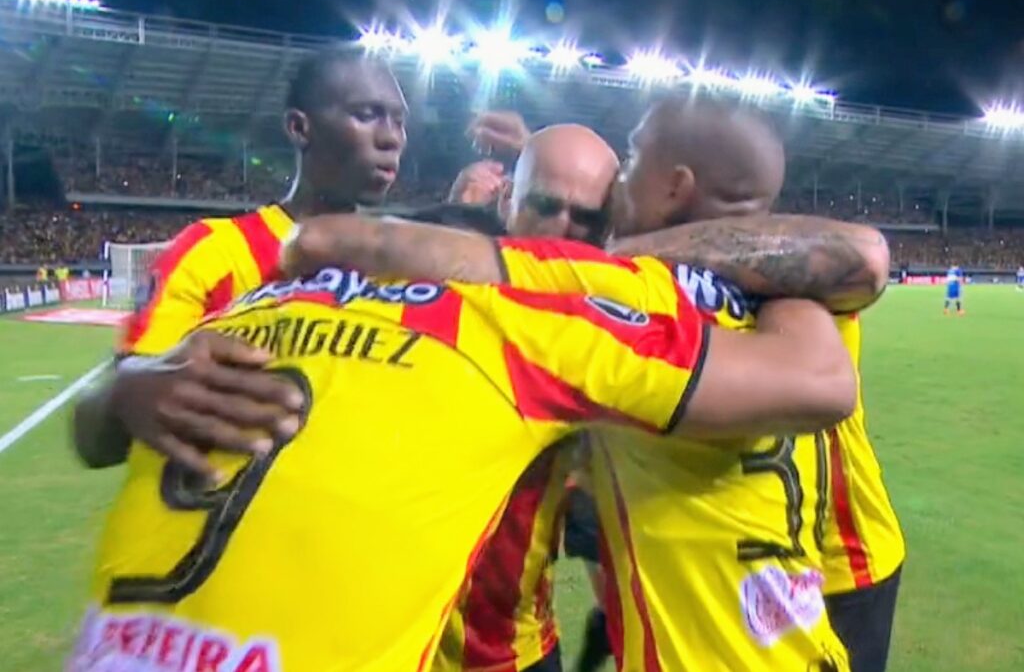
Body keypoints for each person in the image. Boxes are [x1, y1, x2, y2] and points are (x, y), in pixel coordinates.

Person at [279, 101, 896, 671]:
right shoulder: (807, 301)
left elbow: (339, 240)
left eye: (627, 162)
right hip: (801, 626)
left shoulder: (622, 294)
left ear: (676, 185)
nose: (611, 190)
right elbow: (864, 257)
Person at [69, 260, 856, 671]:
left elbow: (96, 429)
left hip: (511, 641)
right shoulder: (512, 323)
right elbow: (818, 380)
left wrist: (123, 385)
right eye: (549, 209)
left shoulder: (257, 303)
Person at [72, 47, 409, 476]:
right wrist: (123, 396)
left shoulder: (406, 268)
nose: (392, 137)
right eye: (367, 114)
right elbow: (96, 437)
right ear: (299, 127)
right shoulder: (214, 250)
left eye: (399, 120)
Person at [432, 124, 619, 672]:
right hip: (398, 636)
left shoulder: (604, 318)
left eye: (585, 218)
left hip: (509, 648)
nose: (563, 229)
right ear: (508, 199)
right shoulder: (435, 282)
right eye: (544, 204)